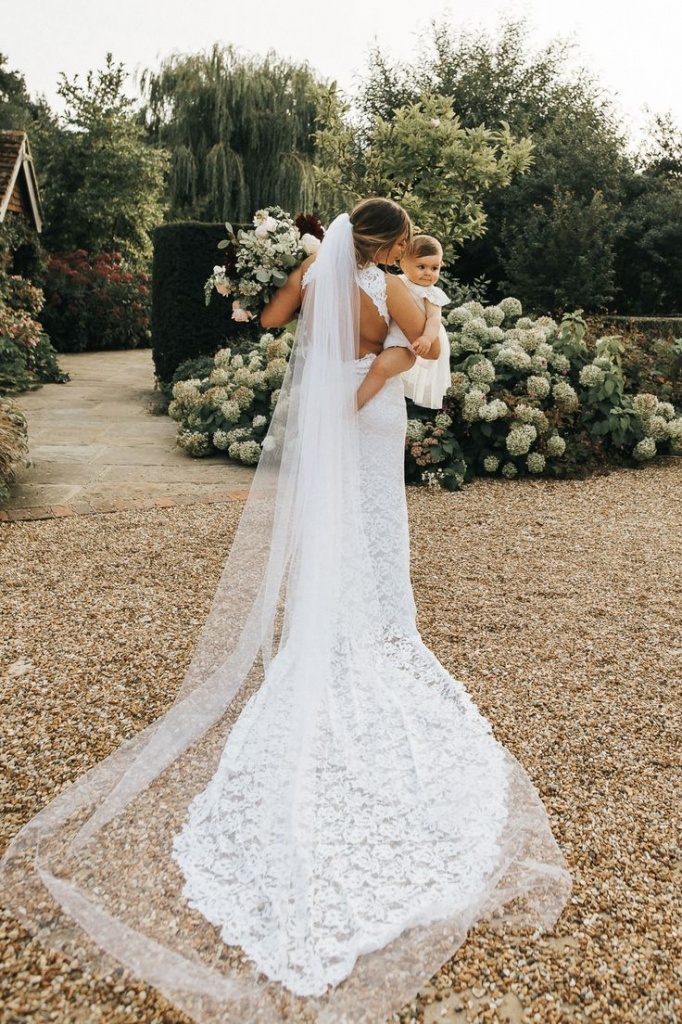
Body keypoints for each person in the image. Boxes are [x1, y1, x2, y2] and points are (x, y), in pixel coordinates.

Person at [0, 198, 571, 1024]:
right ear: (390, 247)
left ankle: (325, 624)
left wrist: (298, 290)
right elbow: (429, 347)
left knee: (328, 529)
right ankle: (376, 627)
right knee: (377, 527)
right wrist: (373, 377)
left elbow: (270, 319)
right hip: (368, 419)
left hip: (326, 415)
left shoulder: (317, 272)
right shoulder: (388, 291)